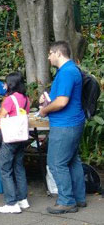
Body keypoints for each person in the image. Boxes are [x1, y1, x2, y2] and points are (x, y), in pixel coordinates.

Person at [39, 41, 86, 214]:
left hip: (65, 124)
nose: (48, 57)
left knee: (56, 163)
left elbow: (62, 101)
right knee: (72, 161)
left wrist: (44, 110)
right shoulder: (68, 70)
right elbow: (59, 97)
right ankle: (79, 198)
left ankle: (66, 201)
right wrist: (47, 99)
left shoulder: (67, 72)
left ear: (58, 53)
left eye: (50, 53)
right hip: (73, 122)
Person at [0, 72, 31, 214]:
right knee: (19, 167)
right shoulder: (26, 98)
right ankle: (23, 200)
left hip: (10, 138)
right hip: (22, 137)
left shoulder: (10, 99)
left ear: (10, 84)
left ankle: (11, 203)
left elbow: (1, 117)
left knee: (5, 169)